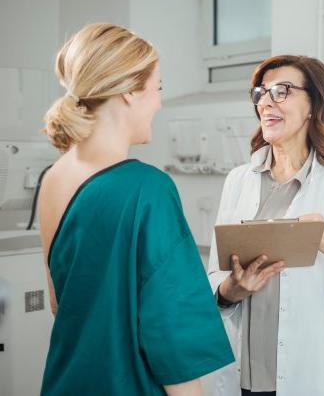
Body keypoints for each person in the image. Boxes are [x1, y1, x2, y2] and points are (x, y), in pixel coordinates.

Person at [38, 23, 234, 395]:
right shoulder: (148, 189)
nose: (159, 102)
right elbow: (174, 339)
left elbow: (59, 304)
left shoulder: (54, 177)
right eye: (157, 88)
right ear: (129, 91)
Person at [208, 55, 324, 396]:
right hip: (246, 374)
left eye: (281, 91)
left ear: (314, 105)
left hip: (312, 373)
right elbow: (214, 276)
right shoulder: (239, 181)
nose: (266, 102)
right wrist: (231, 290)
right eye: (261, 93)